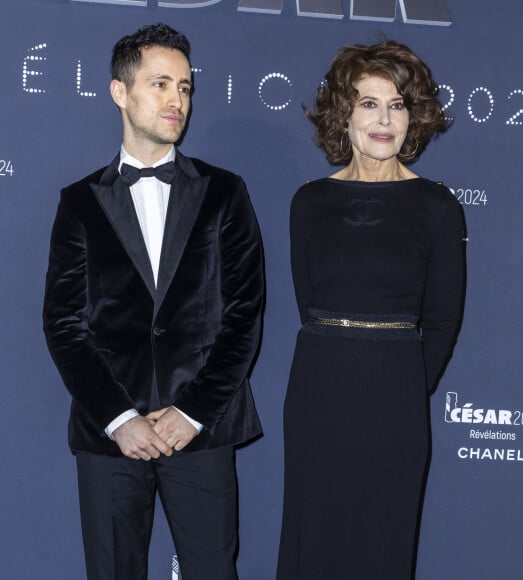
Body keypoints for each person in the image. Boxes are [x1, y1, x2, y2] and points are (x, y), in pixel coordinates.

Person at [43, 23, 264, 580]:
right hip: (109, 431)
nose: (176, 101)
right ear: (120, 92)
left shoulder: (225, 191)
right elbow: (63, 323)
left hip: (203, 427)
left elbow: (244, 313)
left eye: (185, 88)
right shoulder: (78, 203)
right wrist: (120, 419)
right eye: (160, 84)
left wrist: (191, 412)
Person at [276, 40, 466, 579]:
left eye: (398, 105)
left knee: (382, 547)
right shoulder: (308, 201)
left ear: (414, 117)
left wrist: (403, 384)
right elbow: (307, 300)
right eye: (368, 103)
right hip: (317, 388)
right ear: (345, 113)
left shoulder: (436, 206)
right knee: (312, 539)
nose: (384, 119)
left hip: (395, 396)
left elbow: (444, 319)